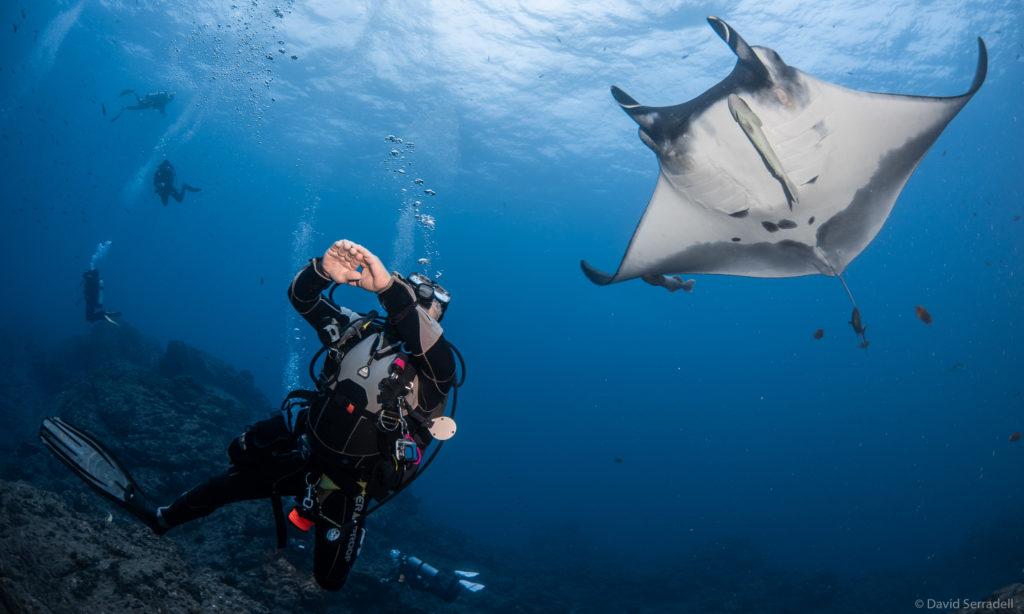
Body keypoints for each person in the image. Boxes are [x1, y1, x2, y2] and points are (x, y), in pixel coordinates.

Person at [42, 239, 459, 591]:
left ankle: (366, 545)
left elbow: (428, 343)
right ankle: (162, 518)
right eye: (416, 292)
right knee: (226, 483)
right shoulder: (355, 329)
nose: (424, 304)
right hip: (306, 449)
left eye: (434, 304)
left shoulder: (438, 377)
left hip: (353, 481)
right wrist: (321, 270)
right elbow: (302, 297)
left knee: (329, 579)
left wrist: (388, 286)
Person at [381, 549, 484, 603]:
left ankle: (458, 578)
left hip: (427, 583)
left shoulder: (402, 567)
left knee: (447, 598)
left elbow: (401, 579)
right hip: (430, 580)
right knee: (447, 597)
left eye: (393, 560)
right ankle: (458, 580)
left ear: (396, 559)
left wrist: (389, 580)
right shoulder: (406, 563)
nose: (393, 562)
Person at [110, 89, 175, 122]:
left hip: (149, 103)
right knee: (139, 105)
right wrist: (163, 113)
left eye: (170, 99)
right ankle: (133, 93)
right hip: (149, 102)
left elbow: (162, 109)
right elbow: (162, 108)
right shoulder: (164, 97)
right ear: (169, 96)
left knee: (139, 105)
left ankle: (126, 106)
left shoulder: (164, 101)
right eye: (170, 98)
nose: (169, 100)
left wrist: (163, 114)